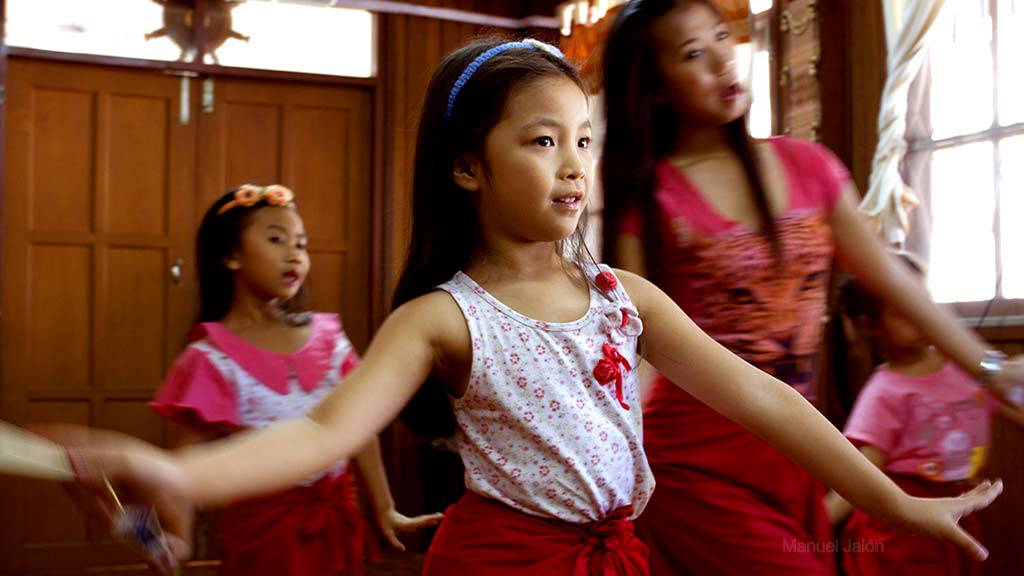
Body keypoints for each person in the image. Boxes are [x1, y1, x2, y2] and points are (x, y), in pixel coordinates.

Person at [58, 37, 1006, 576]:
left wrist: (891, 503)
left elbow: (769, 402)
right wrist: (178, 478)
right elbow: (319, 435)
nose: (572, 164)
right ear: (467, 166)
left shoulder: (623, 299)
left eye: (584, 140)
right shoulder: (442, 317)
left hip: (616, 561)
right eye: (541, 139)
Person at [599, 1, 1024, 574]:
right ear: (653, 88)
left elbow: (893, 281)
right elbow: (635, 352)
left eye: (722, 38)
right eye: (693, 53)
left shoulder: (809, 165)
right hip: (694, 468)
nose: (723, 60)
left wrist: (991, 370)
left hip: (799, 449)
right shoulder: (651, 202)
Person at [149, 185, 441, 575]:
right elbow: (183, 467)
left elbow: (360, 429)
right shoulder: (210, 357)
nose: (294, 255)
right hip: (263, 535)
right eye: (276, 239)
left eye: (301, 244)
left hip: (337, 521)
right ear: (230, 255)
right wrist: (176, 536)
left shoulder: (329, 338)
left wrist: (384, 507)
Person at [824, 253, 1024, 575]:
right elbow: (859, 474)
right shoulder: (884, 392)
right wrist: (808, 528)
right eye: (904, 311)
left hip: (958, 509)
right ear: (870, 324)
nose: (920, 317)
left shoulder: (968, 372)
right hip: (902, 533)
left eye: (925, 302)